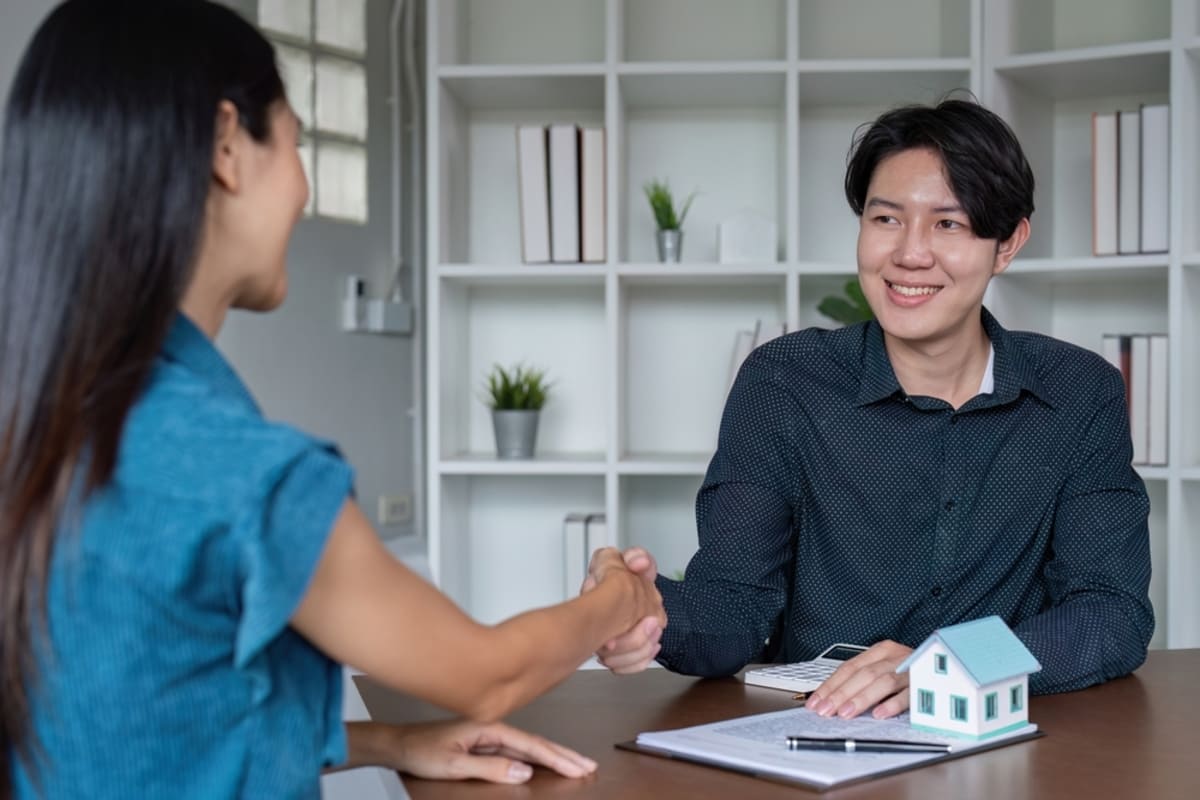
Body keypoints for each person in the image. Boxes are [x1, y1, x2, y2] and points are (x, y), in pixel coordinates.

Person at [0, 2, 664, 797]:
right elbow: (488, 674)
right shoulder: (243, 474)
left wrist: (392, 741)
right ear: (224, 146)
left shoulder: (46, 427)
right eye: (295, 145)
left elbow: (159, 719)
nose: (305, 191)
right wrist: (620, 594)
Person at [586, 97, 1154, 721]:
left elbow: (1110, 609)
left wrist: (951, 662)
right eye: (886, 219)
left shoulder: (1077, 392)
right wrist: (646, 612)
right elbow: (735, 609)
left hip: (1001, 742)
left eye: (949, 224)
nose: (910, 254)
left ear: (1008, 242)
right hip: (821, 735)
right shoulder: (785, 383)